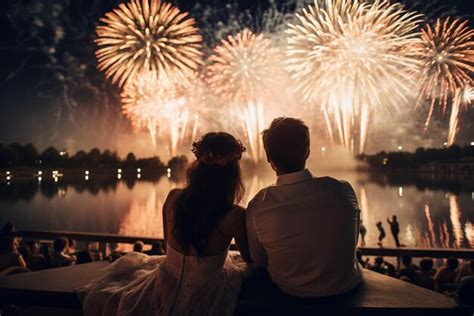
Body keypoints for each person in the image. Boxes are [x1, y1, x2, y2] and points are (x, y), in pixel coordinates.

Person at [80, 132, 251, 315]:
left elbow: (166, 244)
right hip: (208, 295)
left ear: (198, 165)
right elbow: (250, 259)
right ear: (233, 172)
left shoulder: (173, 197)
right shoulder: (235, 215)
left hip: (165, 285)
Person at [246, 117, 362, 298]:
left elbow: (259, 260)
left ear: (268, 157)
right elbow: (352, 241)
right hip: (345, 288)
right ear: (307, 151)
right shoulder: (342, 190)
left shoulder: (258, 205)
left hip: (290, 292)